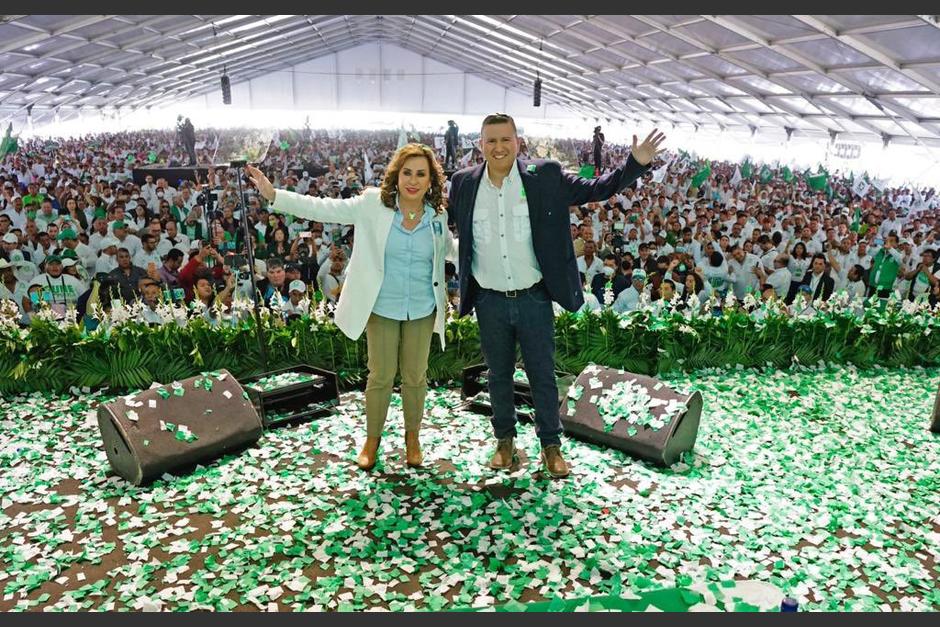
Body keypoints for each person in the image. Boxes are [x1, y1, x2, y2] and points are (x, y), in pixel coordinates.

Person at [447, 113, 664, 478]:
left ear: (518, 142)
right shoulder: (464, 184)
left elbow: (597, 188)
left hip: (533, 297)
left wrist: (635, 164)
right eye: (490, 141)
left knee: (542, 374)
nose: (498, 147)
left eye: (505, 139)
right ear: (479, 145)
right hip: (488, 299)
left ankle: (551, 445)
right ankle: (505, 441)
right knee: (497, 374)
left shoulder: (544, 175)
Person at [247, 142, 457, 472]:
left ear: (431, 180)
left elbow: (451, 251)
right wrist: (276, 196)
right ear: (396, 175)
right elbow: (324, 208)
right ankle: (372, 441)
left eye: (421, 174)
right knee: (381, 376)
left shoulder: (437, 216)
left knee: (416, 377)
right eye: (407, 173)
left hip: (421, 307)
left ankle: (412, 439)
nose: (413, 181)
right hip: (382, 306)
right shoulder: (373, 204)